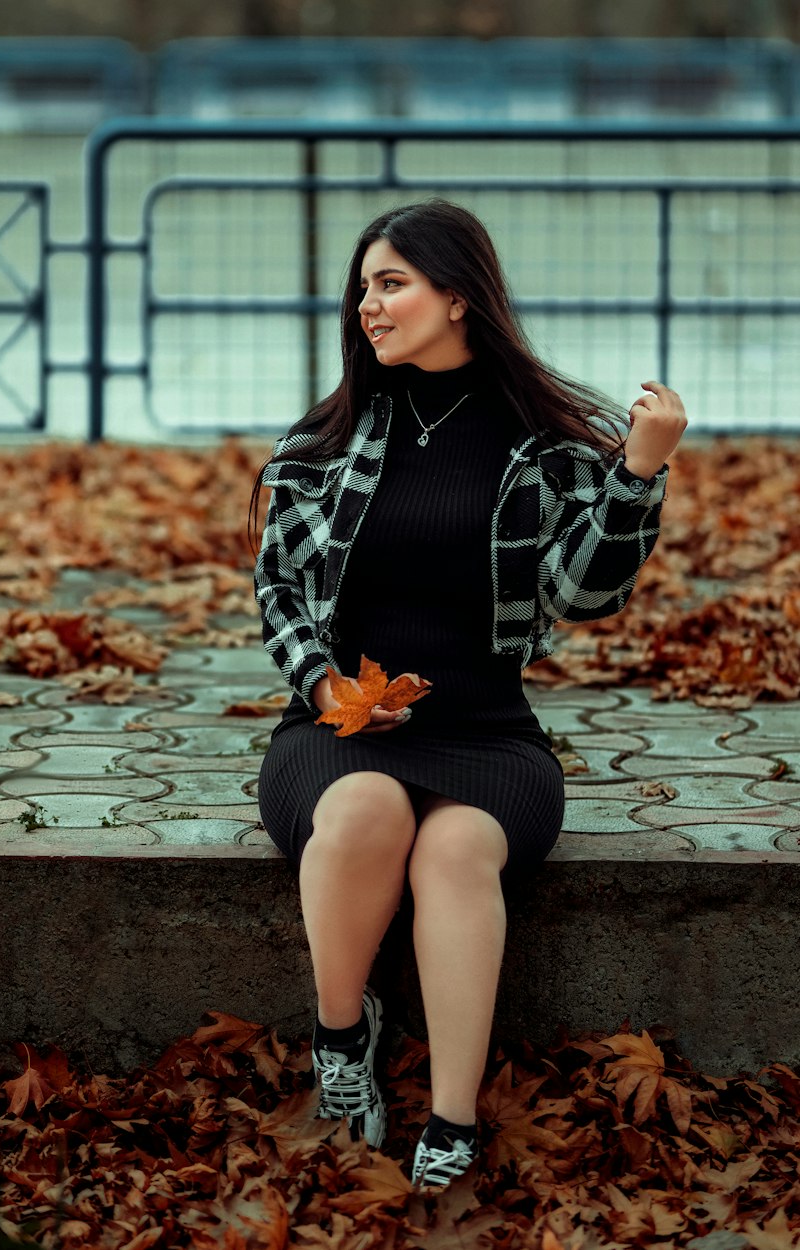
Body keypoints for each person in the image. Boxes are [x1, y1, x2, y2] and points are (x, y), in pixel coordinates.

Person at [248, 199, 687, 1190]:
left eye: (391, 282)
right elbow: (276, 594)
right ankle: (339, 1035)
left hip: (490, 738)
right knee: (364, 805)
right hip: (333, 730)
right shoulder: (328, 438)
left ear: (457, 294)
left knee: (452, 847)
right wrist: (326, 685)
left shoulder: (541, 441)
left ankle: (450, 1121)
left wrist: (638, 474)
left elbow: (584, 595)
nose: (368, 304)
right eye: (362, 286)